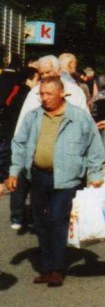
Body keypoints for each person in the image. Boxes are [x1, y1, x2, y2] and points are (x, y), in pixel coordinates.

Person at [6, 75, 105, 286]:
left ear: (62, 93)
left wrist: (95, 174)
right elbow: (19, 144)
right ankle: (47, 266)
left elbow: (94, 147)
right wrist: (14, 172)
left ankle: (57, 269)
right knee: (41, 223)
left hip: (67, 179)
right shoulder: (34, 116)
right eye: (41, 93)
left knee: (57, 220)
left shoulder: (78, 117)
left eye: (49, 94)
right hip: (39, 177)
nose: (44, 98)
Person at [1, 66, 37, 230]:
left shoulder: (16, 89)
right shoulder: (27, 94)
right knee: (21, 175)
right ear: (29, 79)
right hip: (18, 136)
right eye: (37, 79)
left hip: (10, 133)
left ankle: (17, 216)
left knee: (18, 175)